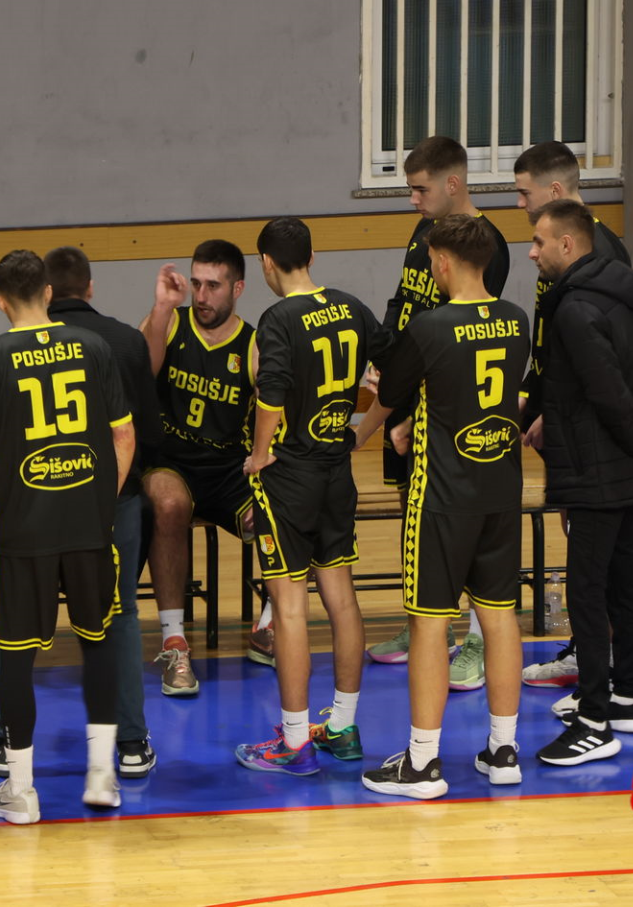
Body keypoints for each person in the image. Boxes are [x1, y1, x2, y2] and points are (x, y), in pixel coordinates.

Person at [0, 246, 160, 780]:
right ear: (48, 292)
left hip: (24, 523)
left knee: (15, 643)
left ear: (0, 301)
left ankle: (11, 754)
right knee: (109, 629)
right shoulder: (97, 346)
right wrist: (101, 497)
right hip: (91, 519)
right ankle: (126, 748)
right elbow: (126, 436)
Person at [360, 214, 529, 799]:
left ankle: (422, 763)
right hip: (501, 492)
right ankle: (504, 750)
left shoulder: (429, 327)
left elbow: (392, 393)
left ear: (441, 261)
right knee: (499, 617)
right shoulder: (516, 319)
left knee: (429, 624)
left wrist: (370, 431)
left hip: (442, 497)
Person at [235, 218, 393, 775]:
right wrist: (362, 433)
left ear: (266, 263)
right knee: (342, 600)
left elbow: (271, 394)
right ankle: (343, 727)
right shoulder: (350, 306)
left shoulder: (277, 318)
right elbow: (398, 374)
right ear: (311, 256)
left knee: (290, 608)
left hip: (290, 477)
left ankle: (296, 741)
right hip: (335, 473)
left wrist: (260, 453)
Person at [525, 200, 633, 765]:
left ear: (568, 245)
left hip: (594, 471)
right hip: (620, 466)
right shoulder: (618, 296)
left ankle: (592, 720)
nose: (533, 253)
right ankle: (627, 697)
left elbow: (609, 390)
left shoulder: (573, 307)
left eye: (539, 242)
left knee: (587, 591)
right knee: (622, 581)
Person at [364, 136, 511, 689]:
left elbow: (468, 333)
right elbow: (403, 302)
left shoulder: (487, 243)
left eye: (421, 189)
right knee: (415, 510)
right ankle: (427, 625)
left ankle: (474, 637)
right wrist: (383, 359)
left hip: (448, 406)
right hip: (406, 386)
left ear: (453, 183)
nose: (413, 199)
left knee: (466, 523)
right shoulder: (423, 232)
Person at [513, 141, 632, 689]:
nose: (520, 205)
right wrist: (533, 400)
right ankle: (592, 656)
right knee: (586, 546)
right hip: (563, 418)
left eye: (524, 194)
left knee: (598, 559)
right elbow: (552, 346)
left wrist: (557, 412)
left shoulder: (598, 254)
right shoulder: (562, 253)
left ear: (555, 191)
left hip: (592, 439)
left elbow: (606, 359)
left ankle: (597, 671)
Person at [138, 239, 255, 697]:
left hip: (228, 470)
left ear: (237, 288)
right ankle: (175, 641)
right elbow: (140, 372)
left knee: (287, 510)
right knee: (168, 505)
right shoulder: (170, 322)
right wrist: (162, 307)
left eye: (213, 286)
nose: (201, 296)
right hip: (170, 463)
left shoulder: (253, 343)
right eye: (196, 284)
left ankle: (269, 625)